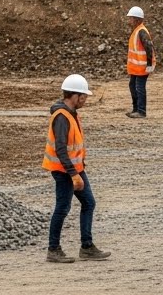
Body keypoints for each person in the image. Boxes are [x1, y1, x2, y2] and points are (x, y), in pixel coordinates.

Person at [43, 74, 111, 263]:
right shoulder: (62, 117)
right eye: (84, 97)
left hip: (75, 169)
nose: (85, 100)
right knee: (62, 208)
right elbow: (61, 149)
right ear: (75, 95)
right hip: (64, 170)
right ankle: (53, 249)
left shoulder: (72, 114)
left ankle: (87, 247)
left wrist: (78, 169)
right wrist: (74, 175)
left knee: (89, 203)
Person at [124, 6, 154, 119]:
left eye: (131, 18)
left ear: (136, 19)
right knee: (133, 86)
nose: (129, 21)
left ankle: (141, 111)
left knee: (139, 88)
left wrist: (150, 65)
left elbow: (149, 47)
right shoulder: (137, 31)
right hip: (136, 68)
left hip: (142, 68)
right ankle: (136, 109)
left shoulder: (141, 31)